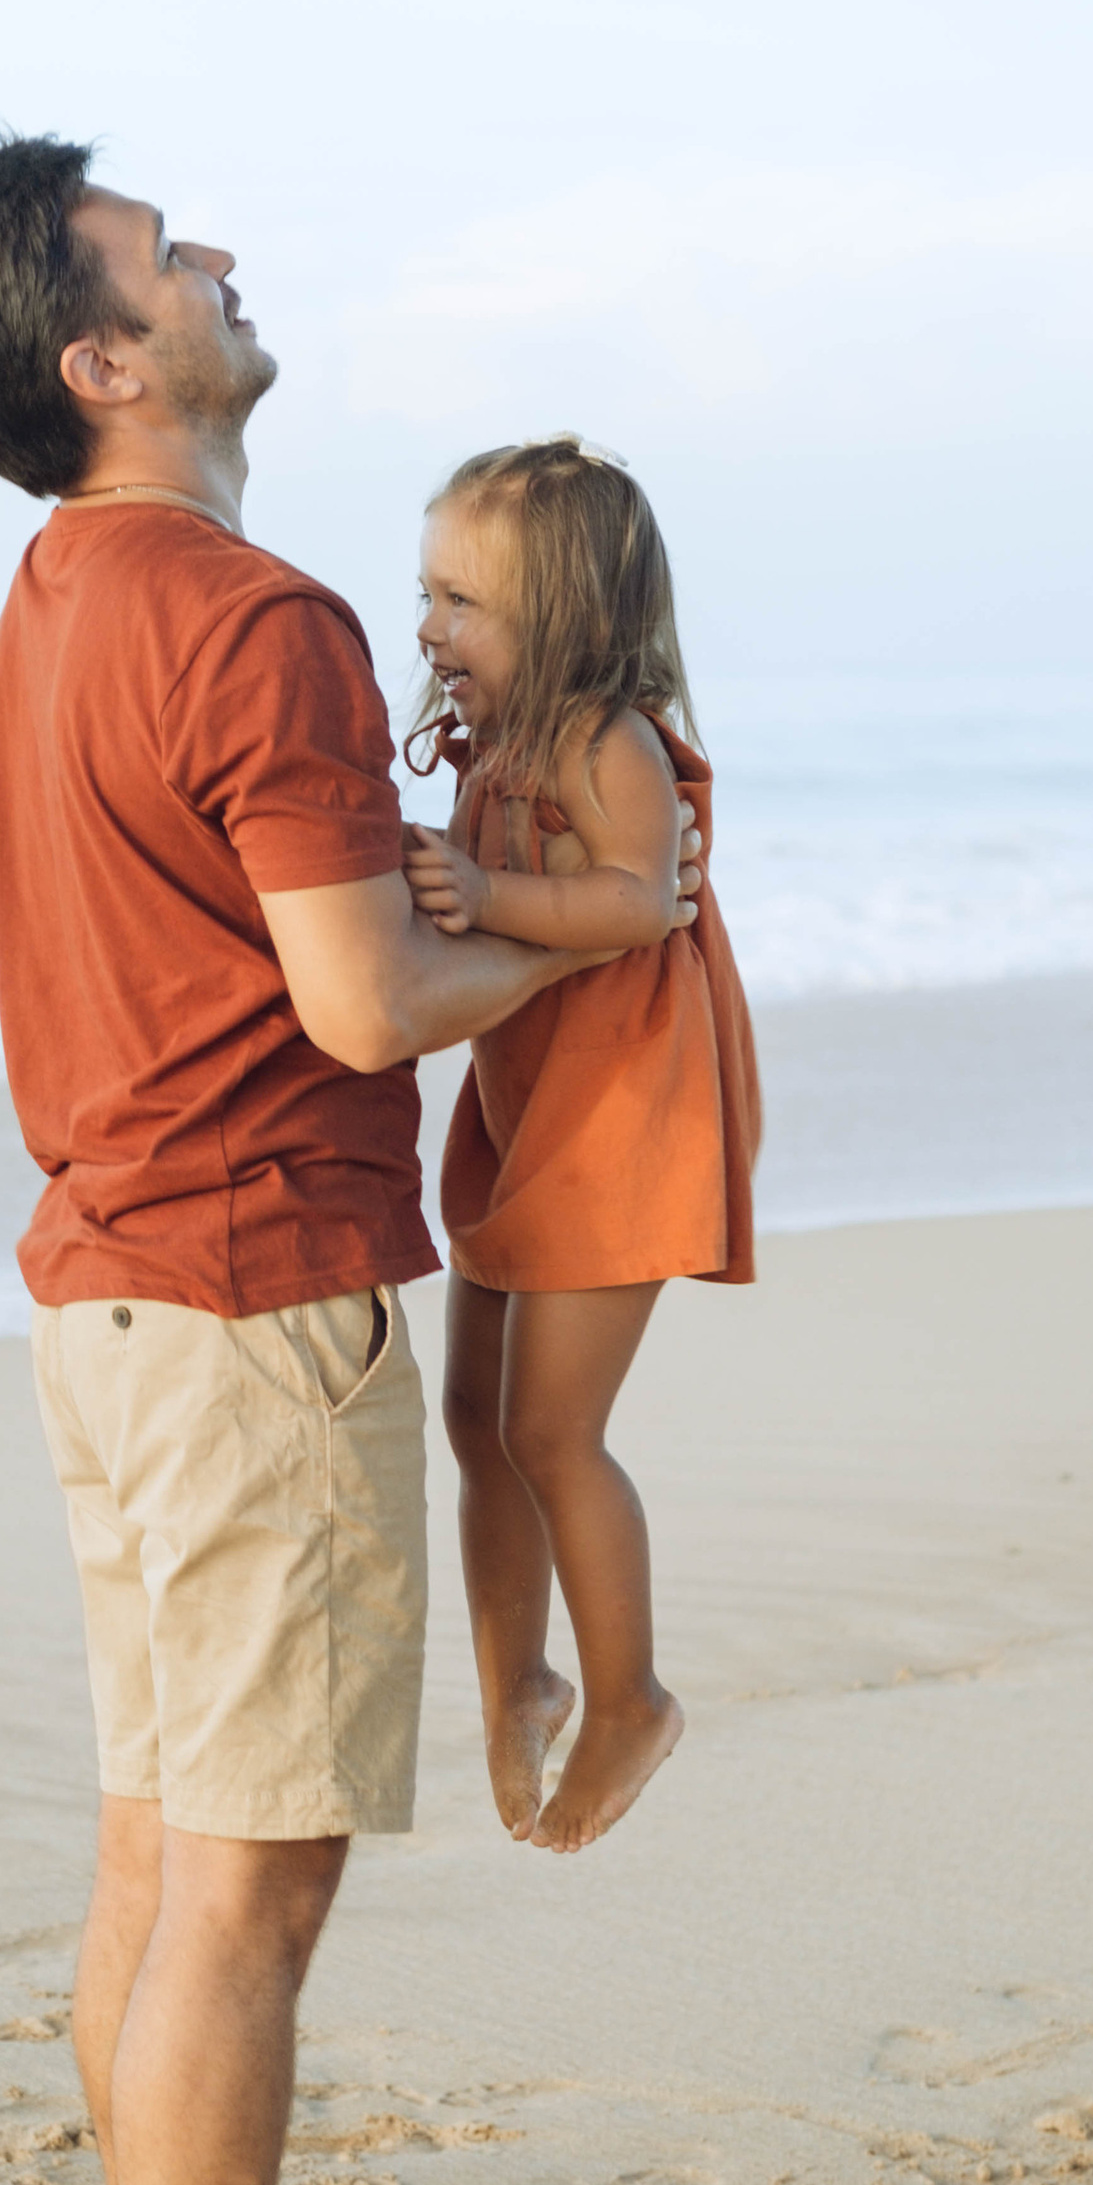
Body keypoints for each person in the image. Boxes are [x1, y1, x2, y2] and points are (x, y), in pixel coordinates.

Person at [0, 140, 696, 2185]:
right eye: (166, 248)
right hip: (245, 1305)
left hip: (108, 1287)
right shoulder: (252, 613)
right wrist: (592, 944)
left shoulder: (53, 592)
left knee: (155, 1846)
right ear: (104, 359)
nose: (219, 250)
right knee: (249, 1895)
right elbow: (362, 1001)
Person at [401, 440, 760, 1850]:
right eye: (423, 596)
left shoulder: (607, 744)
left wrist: (483, 887)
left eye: (459, 603)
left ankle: (632, 1700)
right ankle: (519, 1680)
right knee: (476, 1420)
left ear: (559, 619)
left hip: (620, 1116)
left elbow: (634, 904)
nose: (428, 630)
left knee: (554, 1428)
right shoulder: (492, 752)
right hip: (525, 1108)